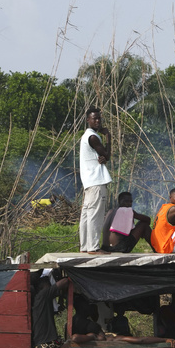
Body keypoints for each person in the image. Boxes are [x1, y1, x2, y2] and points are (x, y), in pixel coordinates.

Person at [78, 107, 112, 254]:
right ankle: (93, 248)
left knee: (86, 214)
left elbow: (102, 156)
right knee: (95, 215)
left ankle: (85, 247)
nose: (97, 121)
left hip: (89, 182)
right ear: (88, 120)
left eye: (99, 118)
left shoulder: (87, 136)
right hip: (96, 182)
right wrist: (108, 137)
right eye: (94, 118)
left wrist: (102, 156)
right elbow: (107, 155)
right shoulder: (93, 137)